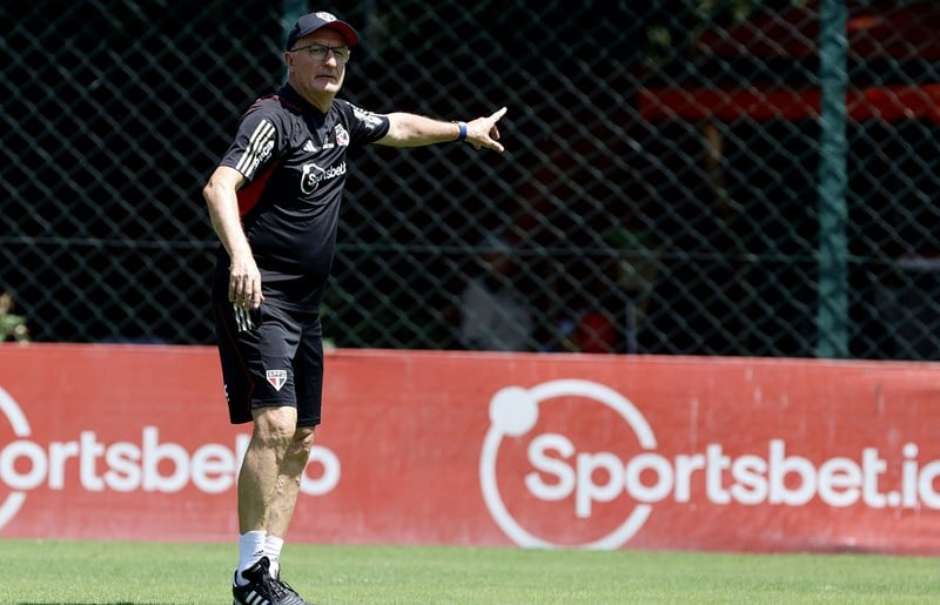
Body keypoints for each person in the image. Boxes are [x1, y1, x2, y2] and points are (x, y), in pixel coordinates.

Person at [202, 11, 506, 605]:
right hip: (258, 295)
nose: (331, 61)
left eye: (340, 52)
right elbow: (218, 186)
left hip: (307, 306)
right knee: (277, 424)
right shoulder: (272, 120)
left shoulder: (340, 119)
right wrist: (241, 257)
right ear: (290, 59)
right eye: (317, 50)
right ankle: (246, 576)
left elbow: (397, 127)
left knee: (305, 436)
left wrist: (464, 130)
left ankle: (268, 572)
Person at [458, 234, 533, 351]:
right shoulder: (477, 291)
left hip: (519, 357)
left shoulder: (512, 290)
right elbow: (473, 338)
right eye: (493, 257)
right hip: (492, 359)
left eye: (502, 257)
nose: (499, 263)